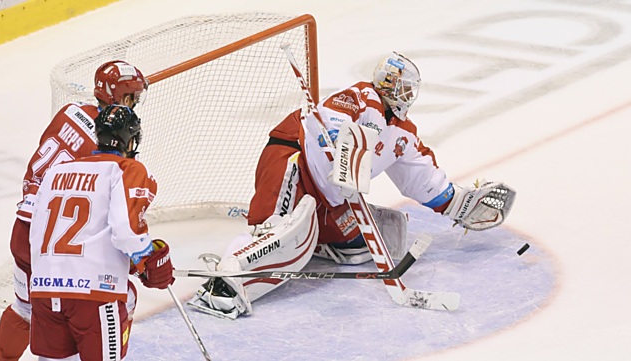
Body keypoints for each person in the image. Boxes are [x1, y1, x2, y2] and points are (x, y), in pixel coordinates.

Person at [187, 52, 516, 320]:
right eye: (394, 83)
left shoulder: (402, 132)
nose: (398, 91)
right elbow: (330, 124)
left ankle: (318, 240)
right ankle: (225, 283)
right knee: (279, 237)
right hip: (294, 161)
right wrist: (348, 144)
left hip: (330, 195)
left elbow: (421, 177)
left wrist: (459, 204)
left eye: (403, 86)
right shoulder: (358, 98)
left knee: (361, 248)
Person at [0, 60, 148, 361]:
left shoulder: (68, 112)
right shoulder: (109, 143)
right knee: (120, 298)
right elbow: (105, 207)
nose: (135, 105)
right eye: (133, 98)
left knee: (26, 309)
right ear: (123, 97)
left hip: (26, 228)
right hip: (63, 242)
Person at [28, 105, 174, 360]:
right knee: (127, 299)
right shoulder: (127, 169)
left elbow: (36, 233)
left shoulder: (56, 171)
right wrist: (145, 259)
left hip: (44, 289)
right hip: (95, 294)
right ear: (131, 140)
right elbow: (127, 233)